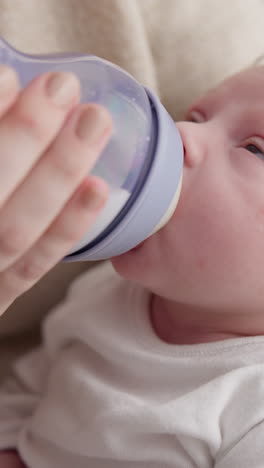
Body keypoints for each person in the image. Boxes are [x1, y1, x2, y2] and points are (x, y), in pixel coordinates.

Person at [0, 64, 264, 467]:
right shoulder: (104, 289)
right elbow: (31, 386)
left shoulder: (252, 408)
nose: (180, 133)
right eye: (197, 116)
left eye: (254, 148)